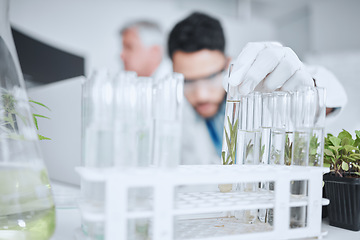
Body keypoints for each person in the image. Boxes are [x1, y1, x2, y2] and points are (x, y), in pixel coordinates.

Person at [168, 12, 347, 165]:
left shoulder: (259, 85)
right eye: (188, 81)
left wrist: (307, 91)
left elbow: (331, 99)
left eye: (210, 77)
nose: (201, 94)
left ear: (227, 64)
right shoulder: (173, 112)